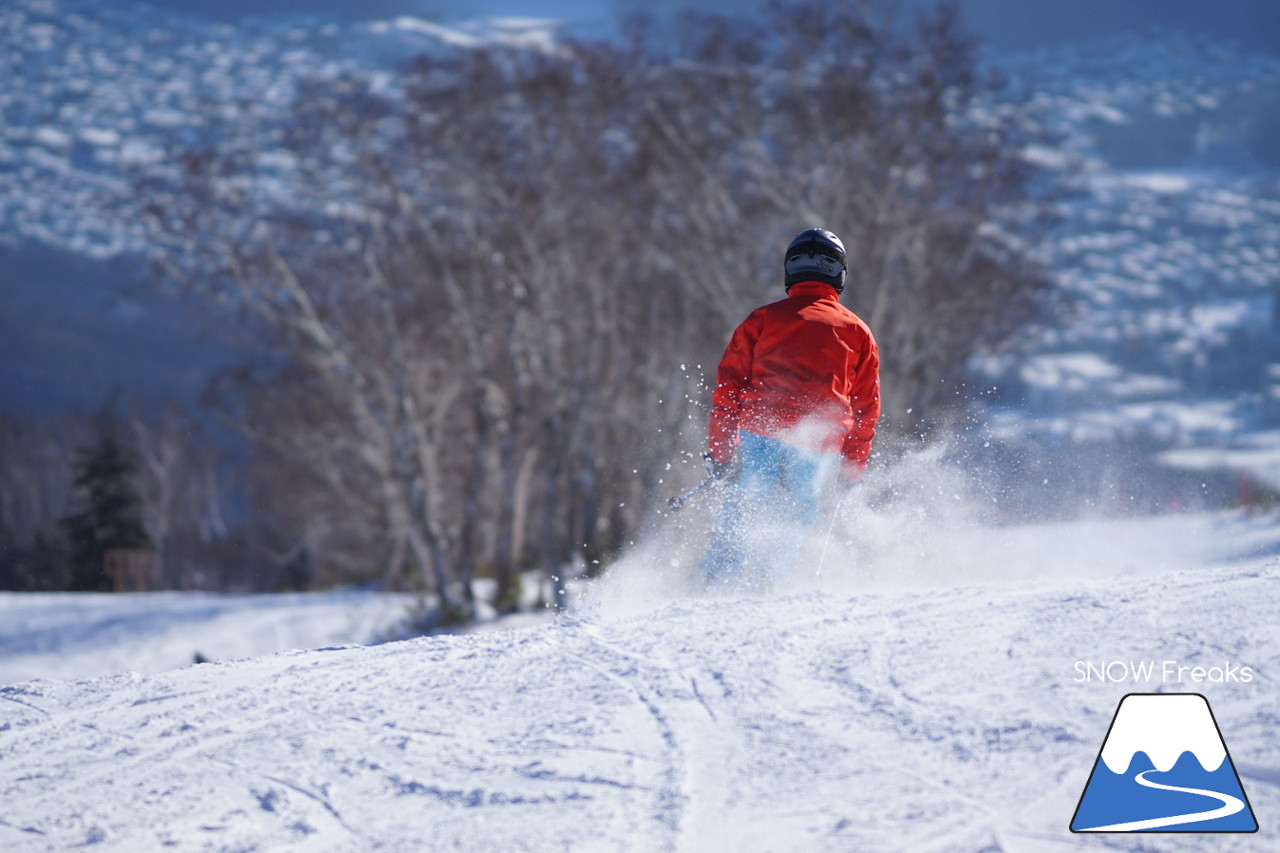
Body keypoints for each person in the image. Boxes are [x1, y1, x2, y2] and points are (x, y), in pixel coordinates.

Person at [698, 228, 880, 587]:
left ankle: (716, 578)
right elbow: (865, 408)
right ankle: (768, 583)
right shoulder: (857, 331)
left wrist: (720, 451)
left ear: (790, 271)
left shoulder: (762, 319)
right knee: (801, 505)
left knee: (750, 494)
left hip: (763, 426)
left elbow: (729, 388)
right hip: (819, 439)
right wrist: (852, 468)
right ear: (839, 274)